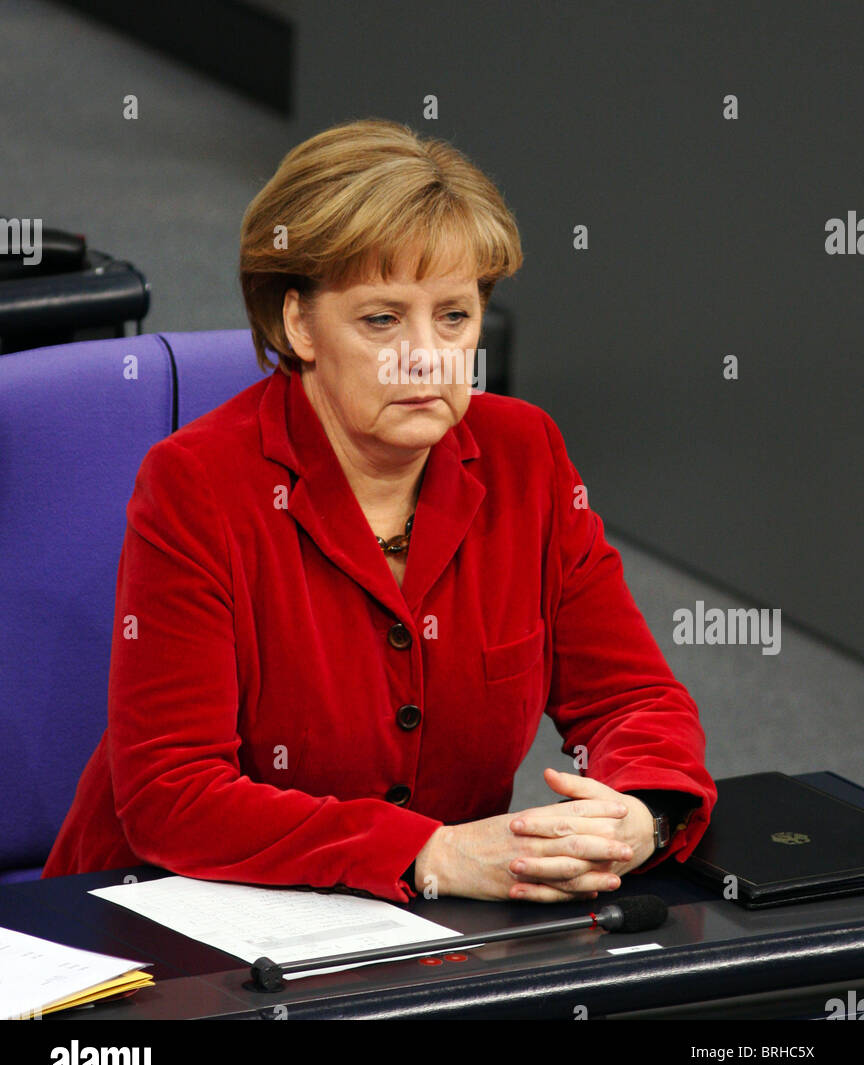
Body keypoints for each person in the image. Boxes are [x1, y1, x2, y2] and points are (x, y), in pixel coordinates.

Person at [43, 117, 716, 904]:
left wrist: (642, 811)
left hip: (431, 931)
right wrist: (428, 854)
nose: (426, 354)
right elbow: (173, 794)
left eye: (454, 316)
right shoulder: (196, 485)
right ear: (298, 324)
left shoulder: (524, 454)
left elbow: (631, 699)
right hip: (179, 918)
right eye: (382, 319)